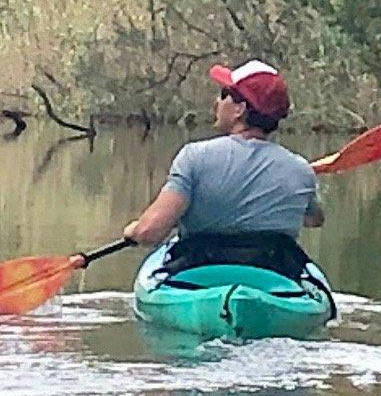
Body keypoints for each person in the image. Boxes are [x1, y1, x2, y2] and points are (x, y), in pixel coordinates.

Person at [122, 59, 323, 284]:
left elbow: (151, 232)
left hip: (197, 275)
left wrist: (134, 230)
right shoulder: (300, 170)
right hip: (274, 277)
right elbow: (314, 219)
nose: (216, 101)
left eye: (224, 93)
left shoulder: (194, 157)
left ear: (240, 109)